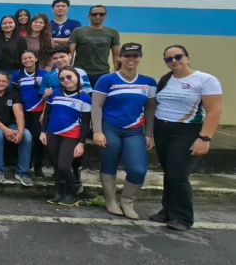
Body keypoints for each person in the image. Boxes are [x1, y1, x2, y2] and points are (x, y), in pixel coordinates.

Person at [149, 45, 223, 231]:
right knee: (170, 173)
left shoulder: (205, 80)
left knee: (178, 175)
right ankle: (167, 211)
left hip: (187, 131)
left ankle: (183, 217)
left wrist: (205, 138)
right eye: (169, 59)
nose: (174, 61)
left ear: (188, 58)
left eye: (178, 56)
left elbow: (214, 111)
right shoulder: (165, 80)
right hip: (163, 130)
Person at [92, 43, 158, 219]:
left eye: (135, 56)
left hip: (134, 131)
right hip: (110, 128)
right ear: (119, 58)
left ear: (140, 58)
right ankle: (111, 200)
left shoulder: (149, 82)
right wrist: (97, 131)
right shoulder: (107, 80)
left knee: (138, 169)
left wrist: (149, 134)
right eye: (127, 56)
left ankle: (128, 202)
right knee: (109, 164)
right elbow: (96, 106)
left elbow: (150, 110)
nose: (131, 59)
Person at [39, 66, 92, 206]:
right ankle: (59, 192)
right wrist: (43, 132)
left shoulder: (85, 98)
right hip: (52, 134)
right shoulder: (54, 93)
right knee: (56, 165)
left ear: (77, 78)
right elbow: (47, 114)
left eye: (69, 77)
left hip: (71, 136)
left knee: (64, 165)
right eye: (62, 78)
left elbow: (86, 124)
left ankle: (73, 192)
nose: (66, 80)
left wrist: (81, 143)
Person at [0, 71, 33, 186]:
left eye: (4, 81)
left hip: (9, 124)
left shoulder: (13, 93)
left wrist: (21, 131)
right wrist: (5, 129)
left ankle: (23, 172)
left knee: (27, 135)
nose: (1, 83)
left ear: (8, 83)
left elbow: (19, 114)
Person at [11, 50, 48, 177]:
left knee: (38, 140)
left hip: (38, 112)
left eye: (30, 58)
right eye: (24, 58)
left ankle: (38, 166)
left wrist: (45, 111)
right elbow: (14, 92)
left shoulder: (45, 74)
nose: (27, 60)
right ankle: (25, 164)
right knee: (26, 139)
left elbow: (48, 94)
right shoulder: (17, 75)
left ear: (36, 59)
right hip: (23, 112)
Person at [68, 5, 120, 86]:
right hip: (80, 72)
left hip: (102, 73)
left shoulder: (113, 32)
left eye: (101, 14)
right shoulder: (78, 31)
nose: (98, 16)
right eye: (94, 14)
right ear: (88, 16)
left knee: (101, 97)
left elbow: (116, 55)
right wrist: (68, 71)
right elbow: (69, 54)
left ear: (106, 16)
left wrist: (118, 73)